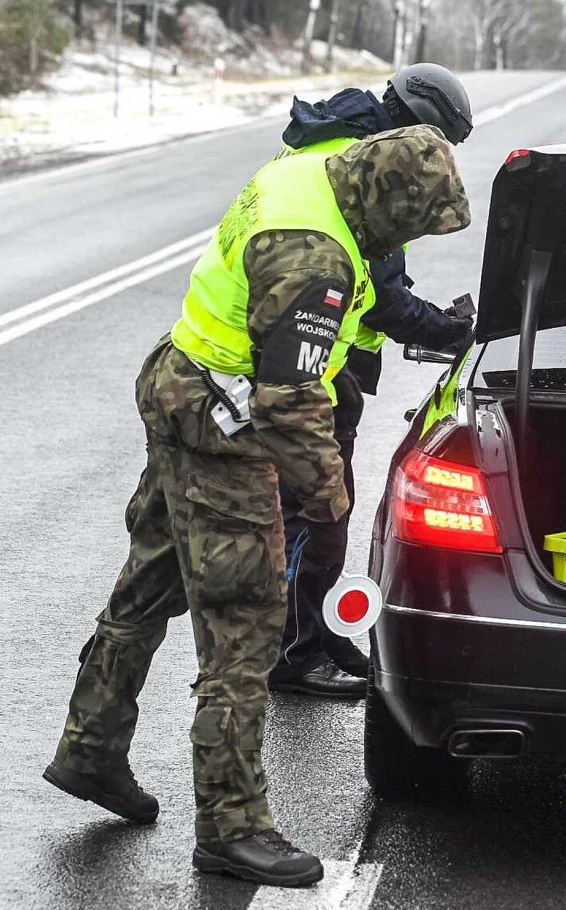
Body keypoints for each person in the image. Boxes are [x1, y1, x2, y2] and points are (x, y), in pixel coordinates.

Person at [44, 125, 471, 888]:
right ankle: (232, 827)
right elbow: (288, 399)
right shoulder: (315, 259)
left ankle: (91, 749)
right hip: (226, 428)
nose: (409, 237)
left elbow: (361, 306)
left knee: (147, 587)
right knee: (245, 629)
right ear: (385, 198)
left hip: (180, 381)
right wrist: (329, 491)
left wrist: (436, 324)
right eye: (411, 222)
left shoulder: (311, 168)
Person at [267, 63, 477, 698]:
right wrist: (449, 331)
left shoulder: (337, 139)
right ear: (417, 123)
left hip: (324, 353)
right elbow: (382, 296)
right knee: (316, 513)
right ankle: (294, 654)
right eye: (438, 140)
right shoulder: (368, 170)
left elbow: (376, 281)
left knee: (311, 511)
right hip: (309, 366)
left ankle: (313, 630)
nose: (434, 159)